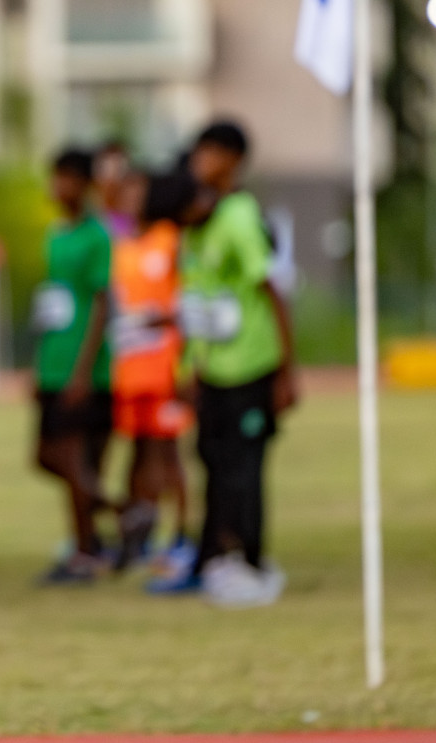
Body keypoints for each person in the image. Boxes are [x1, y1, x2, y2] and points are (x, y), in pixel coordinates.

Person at [162, 119, 298, 606]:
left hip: (251, 365)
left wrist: (286, 369)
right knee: (214, 463)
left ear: (231, 159)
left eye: (208, 153)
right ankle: (218, 556)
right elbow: (200, 307)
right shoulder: (197, 224)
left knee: (245, 467)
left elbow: (272, 291)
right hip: (214, 369)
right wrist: (189, 368)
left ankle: (254, 561)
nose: (200, 161)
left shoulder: (239, 217)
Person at [31, 147, 113, 584]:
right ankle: (115, 512)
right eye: (55, 177)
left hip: (84, 366)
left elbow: (102, 302)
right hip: (53, 361)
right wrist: (38, 363)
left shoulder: (97, 236)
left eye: (66, 178)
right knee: (46, 457)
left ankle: (85, 551)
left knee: (72, 457)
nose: (58, 187)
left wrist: (83, 370)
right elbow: (52, 303)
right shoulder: (55, 234)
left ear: (84, 183)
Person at [109, 170, 196, 573]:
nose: (131, 198)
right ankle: (141, 536)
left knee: (170, 455)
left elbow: (190, 296)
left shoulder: (171, 240)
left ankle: (181, 536)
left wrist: (166, 323)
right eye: (126, 191)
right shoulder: (123, 248)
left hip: (166, 366)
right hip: (132, 369)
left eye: (138, 190)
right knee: (140, 456)